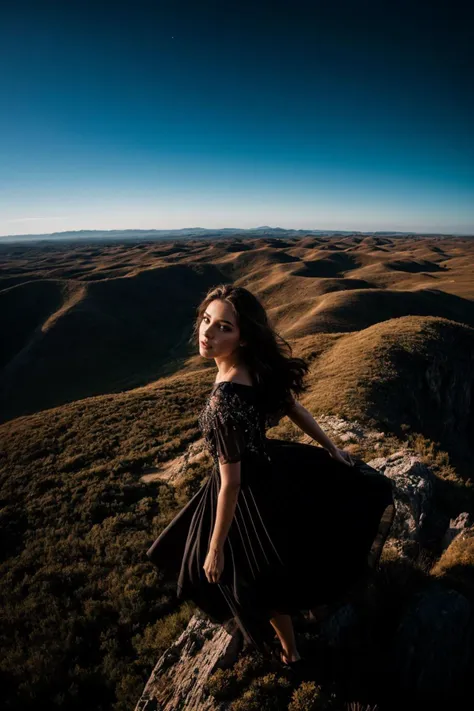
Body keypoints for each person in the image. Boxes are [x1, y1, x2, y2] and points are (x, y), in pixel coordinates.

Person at [146, 284, 395, 667]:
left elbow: (230, 482)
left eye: (224, 327)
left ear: (243, 337)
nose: (208, 333)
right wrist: (330, 449)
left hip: (247, 495)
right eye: (207, 320)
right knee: (276, 566)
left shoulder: (222, 403)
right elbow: (294, 408)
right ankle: (293, 644)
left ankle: (291, 652)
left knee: (249, 576)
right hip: (275, 471)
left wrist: (215, 548)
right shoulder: (256, 371)